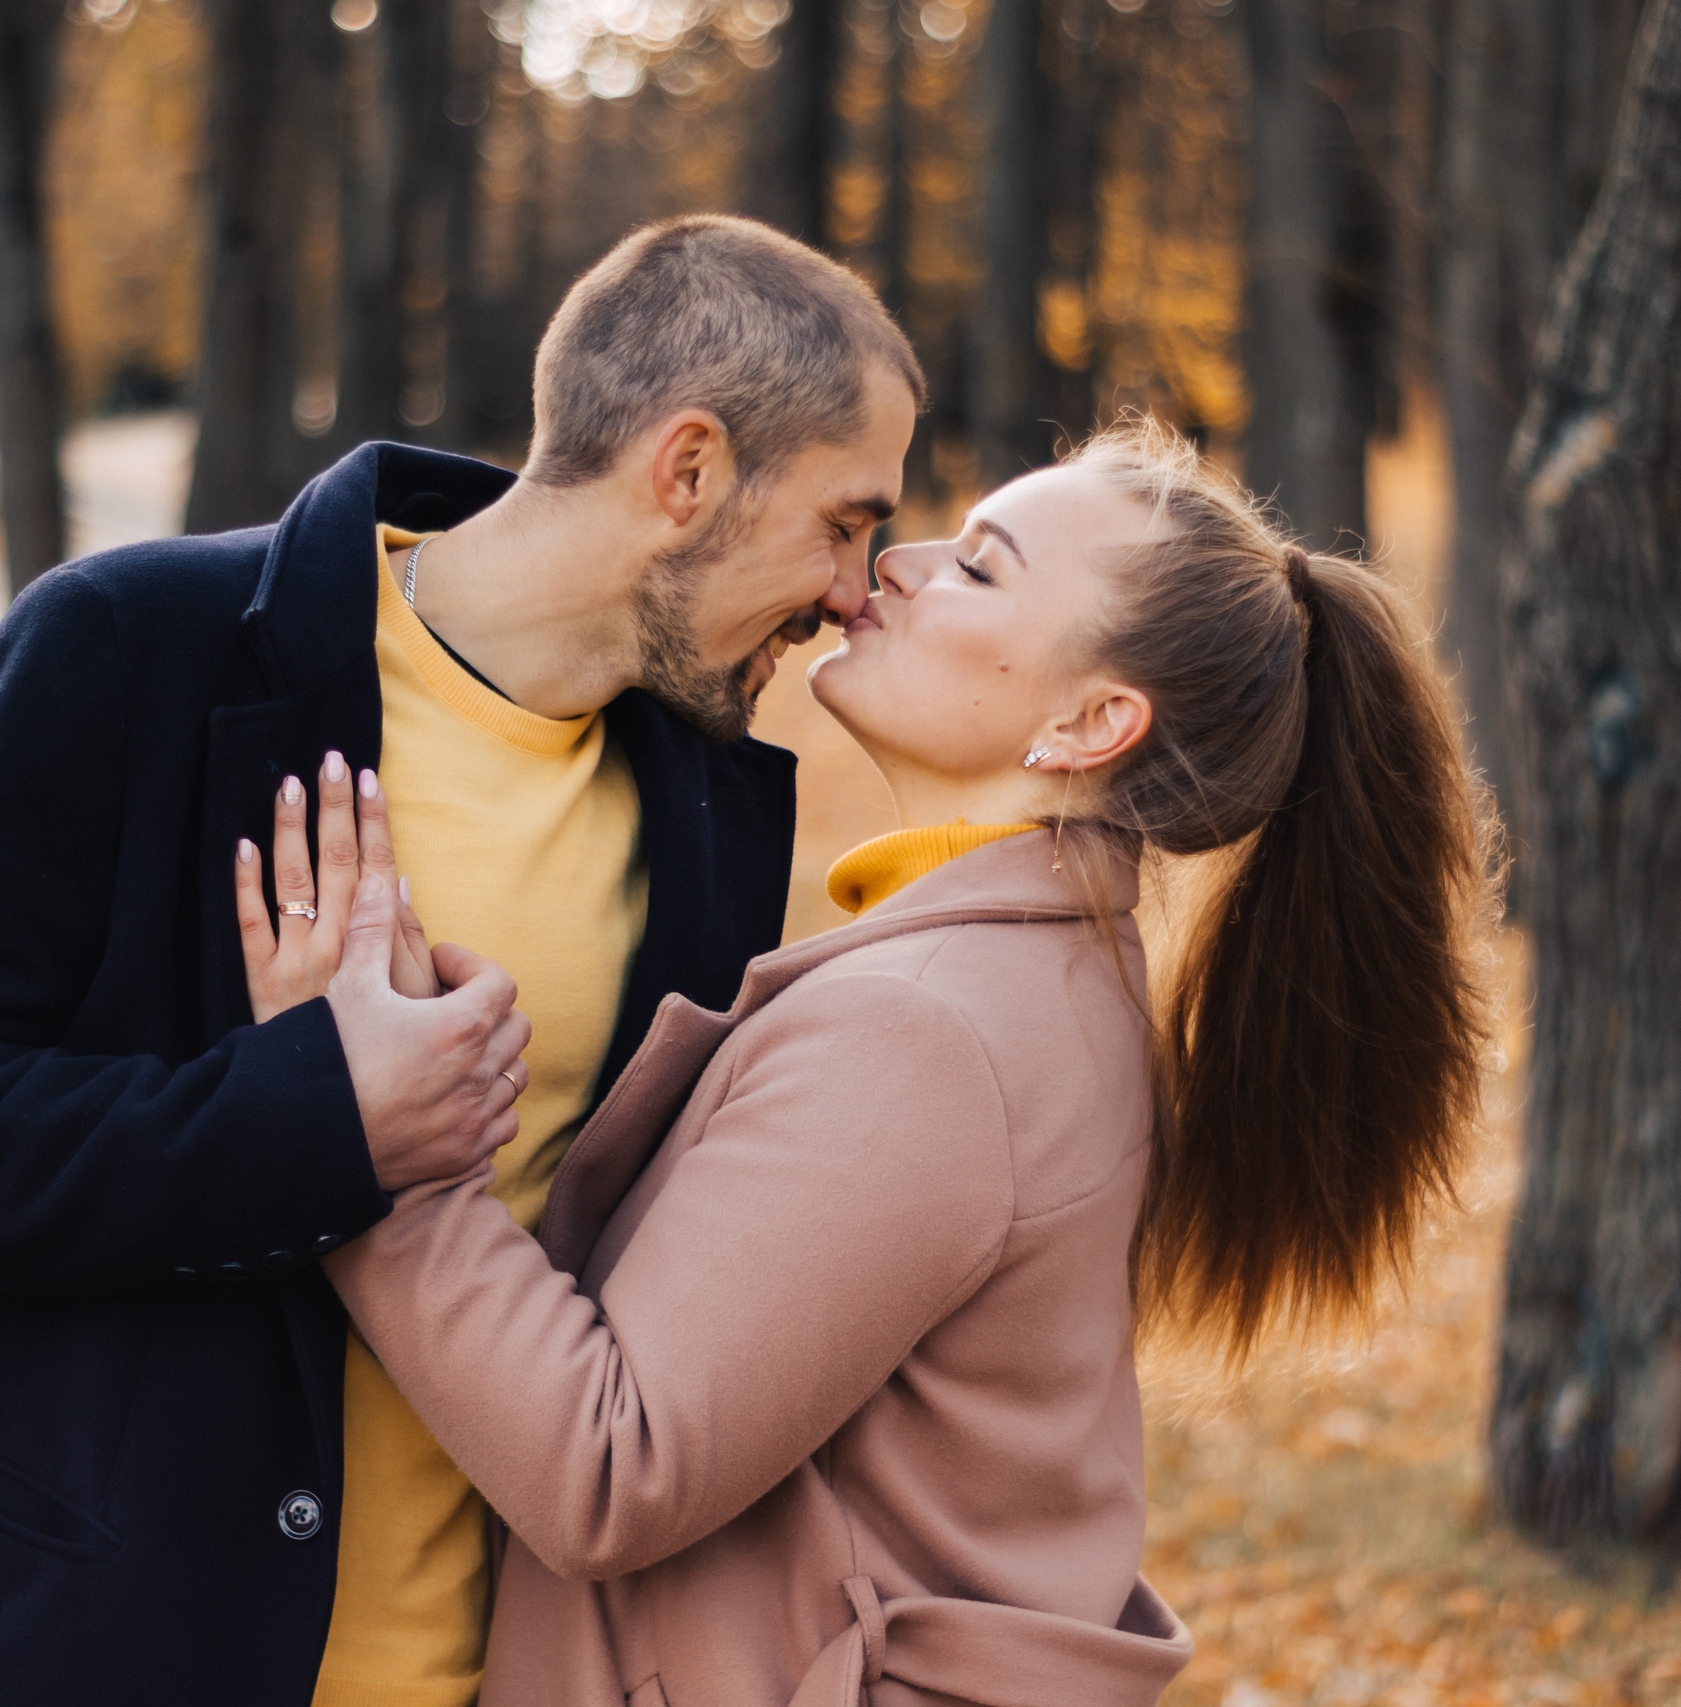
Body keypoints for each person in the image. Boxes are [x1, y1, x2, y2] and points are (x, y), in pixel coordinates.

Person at [0, 215, 923, 1707]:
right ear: (686, 474)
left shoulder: (710, 804)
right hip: (76, 1654)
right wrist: (314, 1125)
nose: (856, 593)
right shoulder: (134, 648)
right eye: (846, 521)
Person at [253, 417, 1493, 1706]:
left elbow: (614, 1466)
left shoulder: (931, 1035)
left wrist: (364, 1132)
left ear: (1090, 720)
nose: (896, 566)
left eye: (982, 566)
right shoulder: (1052, 978)